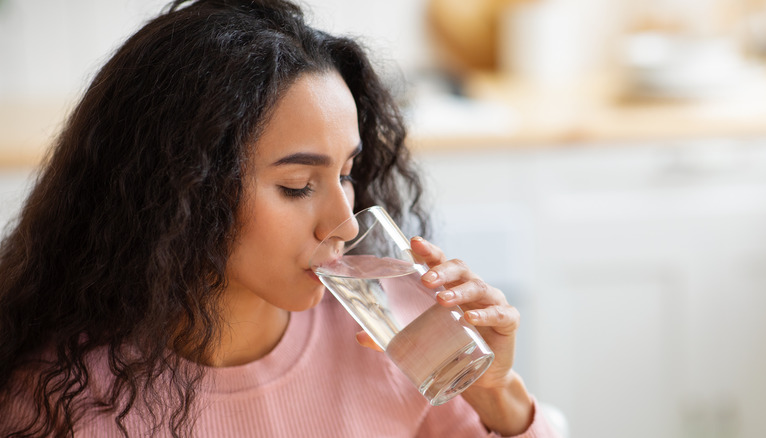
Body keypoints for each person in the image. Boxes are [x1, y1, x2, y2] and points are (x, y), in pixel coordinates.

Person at [0, 1, 560, 437]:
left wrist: (496, 393)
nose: (344, 224)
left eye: (346, 172)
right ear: (180, 189)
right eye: (297, 187)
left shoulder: (396, 338)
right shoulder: (58, 396)